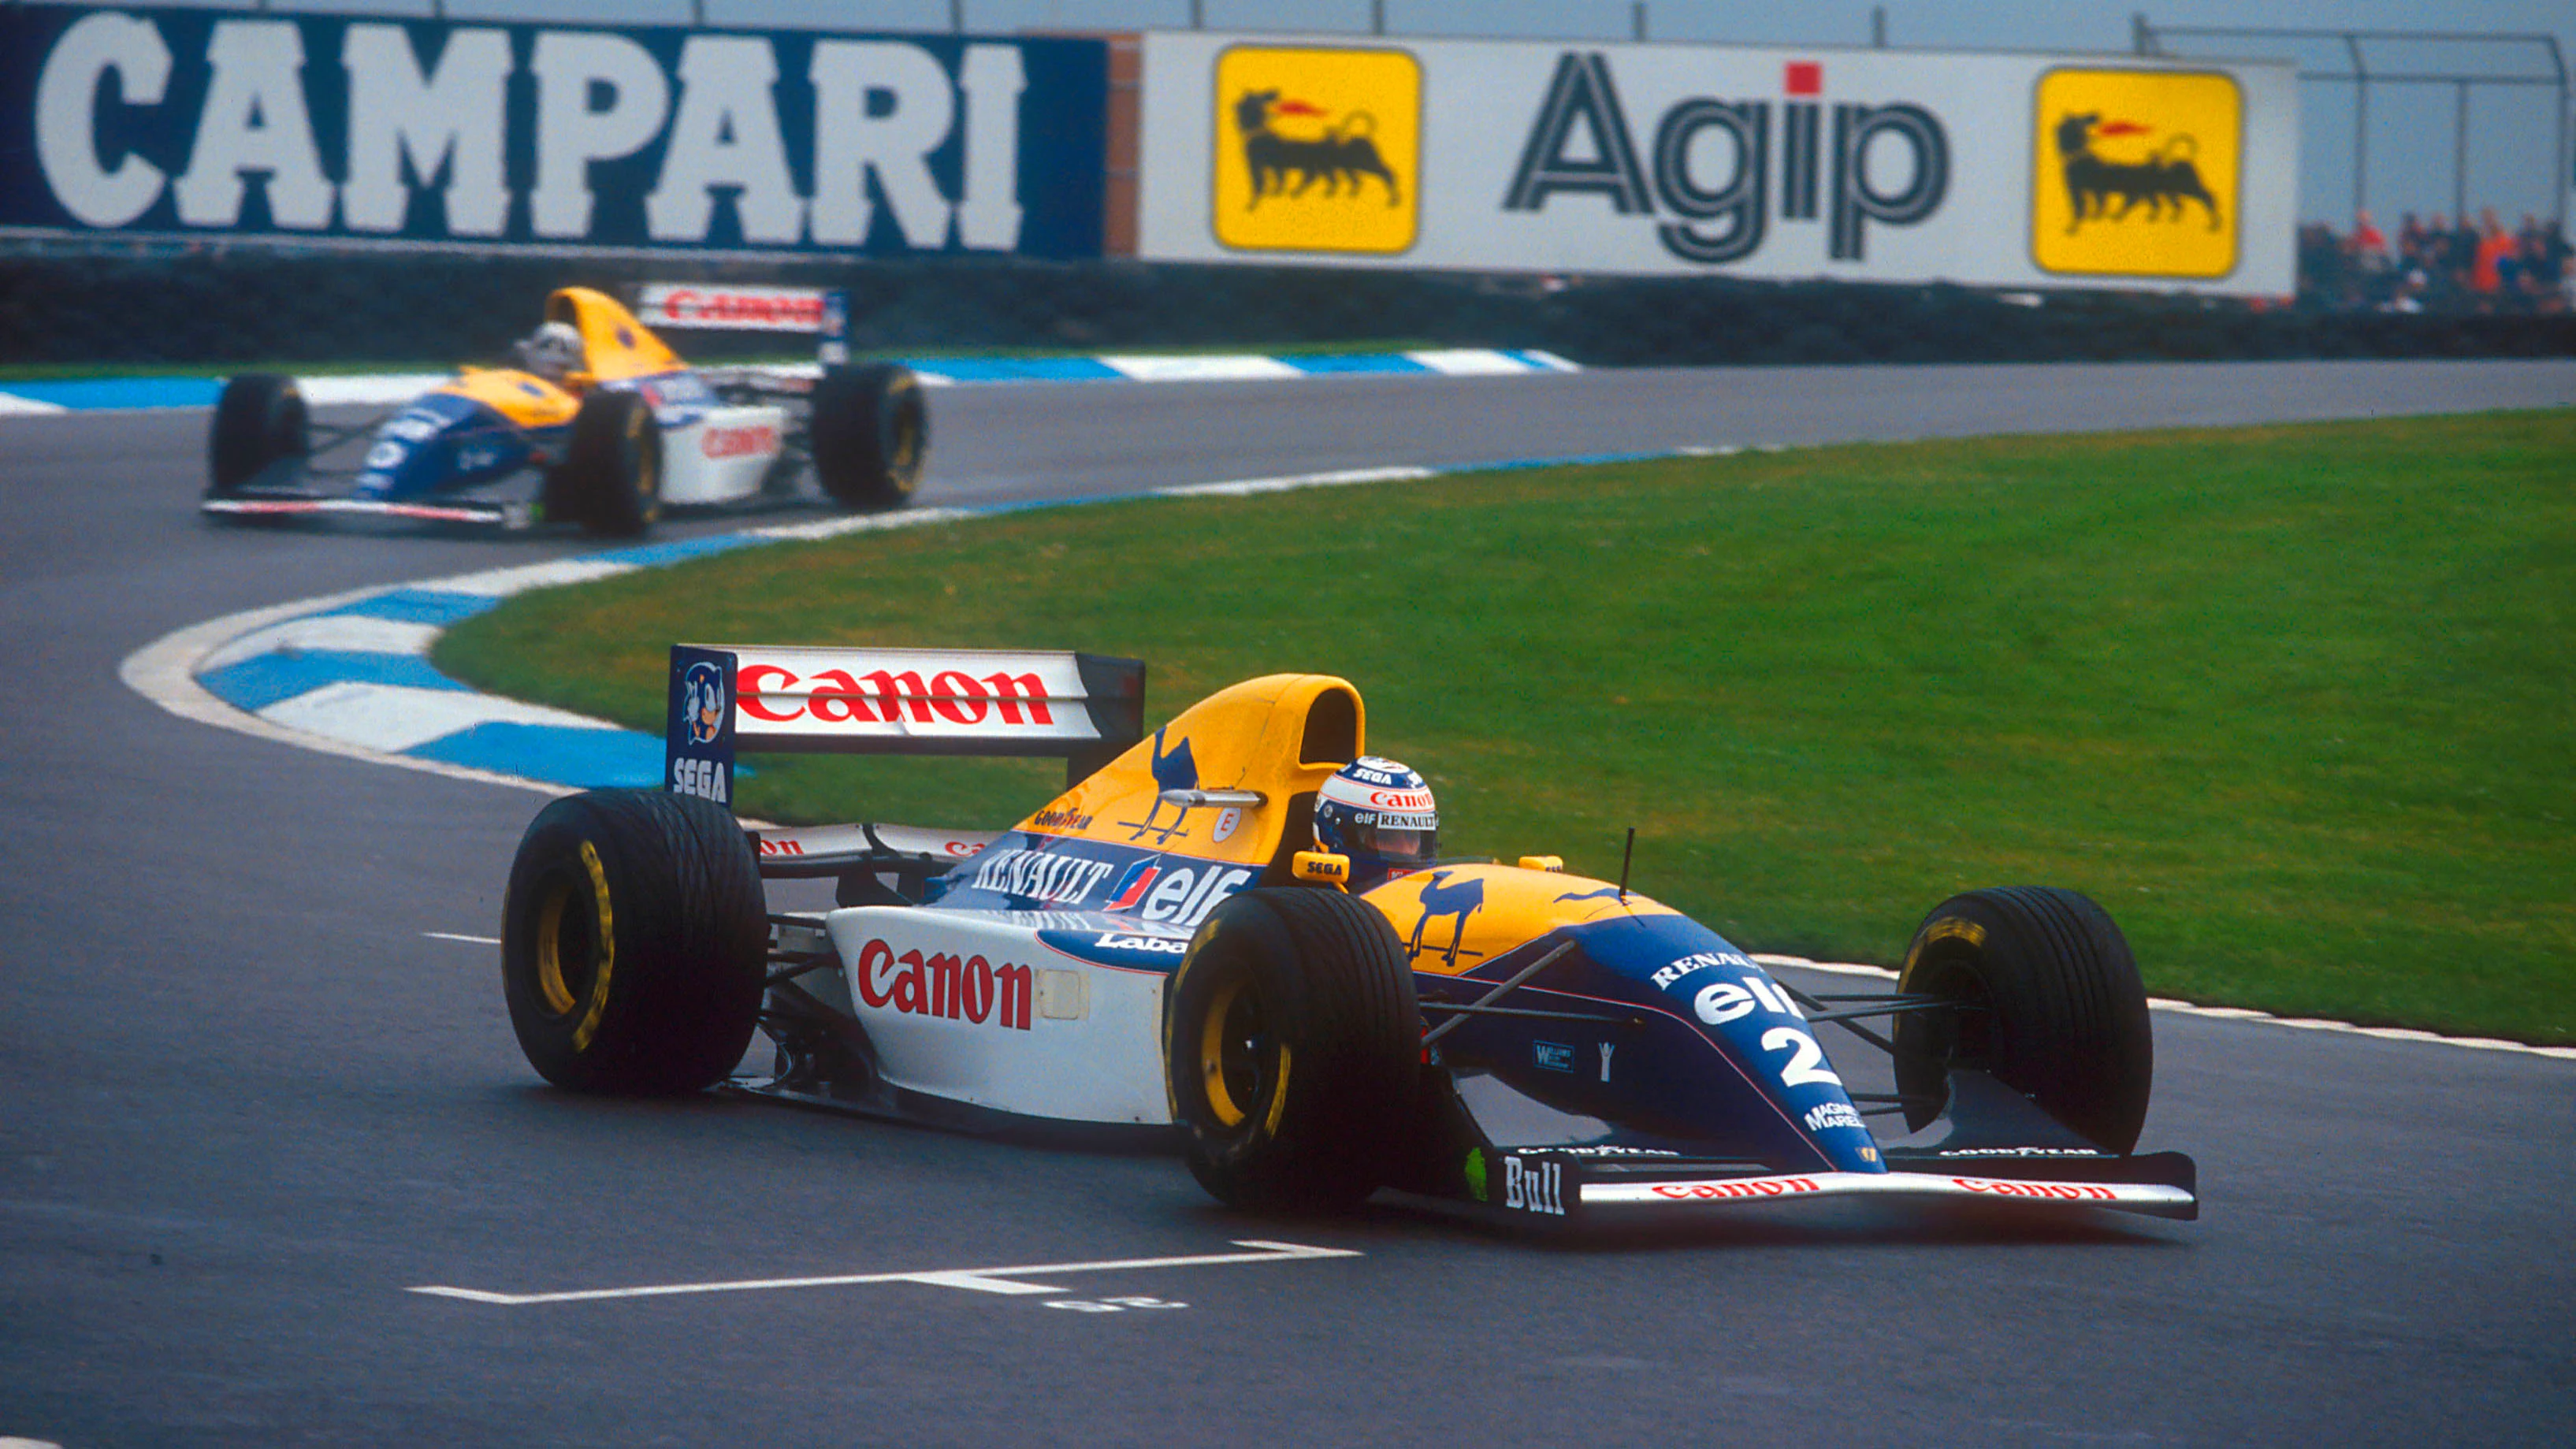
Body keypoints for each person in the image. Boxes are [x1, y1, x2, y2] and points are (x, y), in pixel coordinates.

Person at [1310, 756, 1438, 891]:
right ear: (1337, 836)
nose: (1407, 851)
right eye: (1387, 838)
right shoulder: (1303, 909)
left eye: (1413, 838)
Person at [518, 320, 585, 381]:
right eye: (544, 364)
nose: (550, 372)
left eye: (560, 366)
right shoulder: (511, 384)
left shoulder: (579, 392)